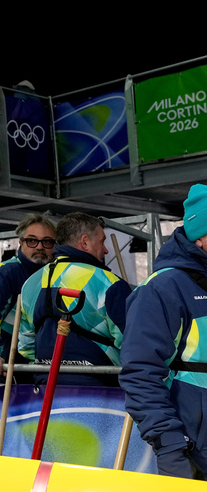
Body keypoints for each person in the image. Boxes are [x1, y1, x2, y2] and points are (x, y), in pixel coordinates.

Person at [120, 185, 207, 479]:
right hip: (196, 449)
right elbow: (141, 373)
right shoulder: (161, 289)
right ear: (201, 236)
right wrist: (169, 445)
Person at [17, 212, 131, 386]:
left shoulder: (30, 284)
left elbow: (26, 346)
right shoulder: (108, 283)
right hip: (101, 391)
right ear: (85, 242)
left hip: (46, 388)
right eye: (101, 241)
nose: (106, 249)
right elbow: (132, 343)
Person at [0, 213, 57, 382]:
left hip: (45, 367)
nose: (39, 247)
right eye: (32, 240)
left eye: (47, 241)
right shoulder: (3, 273)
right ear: (20, 242)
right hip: (4, 366)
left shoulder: (60, 275)